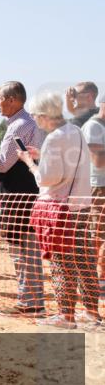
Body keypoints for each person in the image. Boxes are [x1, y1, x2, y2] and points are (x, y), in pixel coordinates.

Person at [17, 91, 98, 329]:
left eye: (35, 116)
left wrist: (29, 162)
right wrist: (42, 155)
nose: (35, 121)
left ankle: (66, 316)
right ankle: (92, 313)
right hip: (81, 205)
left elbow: (47, 178)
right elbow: (69, 163)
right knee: (84, 260)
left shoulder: (54, 138)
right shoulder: (75, 131)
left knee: (61, 263)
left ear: (43, 115)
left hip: (61, 209)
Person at [0, 81, 46, 317]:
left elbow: (2, 164)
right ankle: (31, 300)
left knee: (22, 250)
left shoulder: (19, 125)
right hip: (26, 193)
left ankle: (29, 302)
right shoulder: (27, 122)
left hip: (18, 196)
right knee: (26, 249)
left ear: (12, 100)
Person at [82, 95, 105, 294]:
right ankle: (95, 279)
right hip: (98, 185)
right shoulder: (94, 127)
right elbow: (97, 160)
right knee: (98, 233)